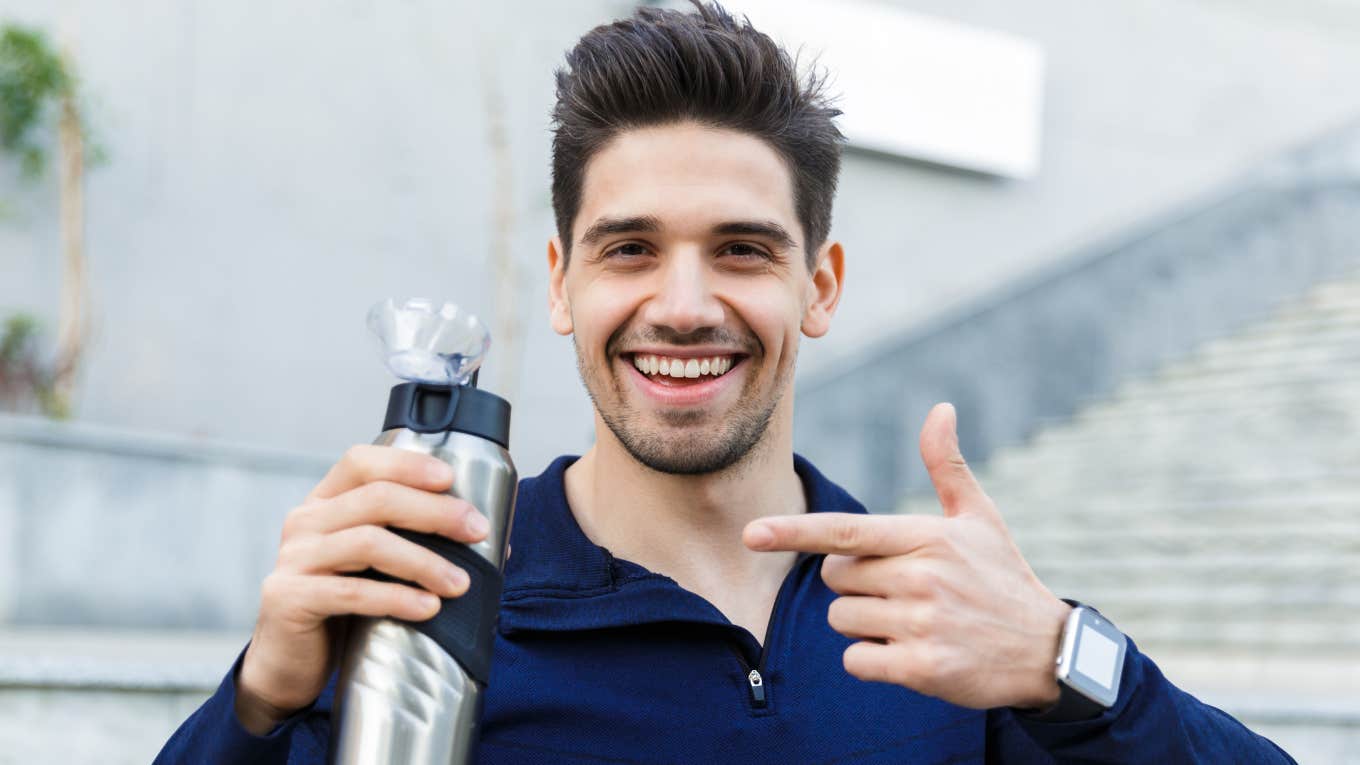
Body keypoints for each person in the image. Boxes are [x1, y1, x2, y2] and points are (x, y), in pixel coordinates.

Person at [156, 3, 1295, 762]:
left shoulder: (934, 627)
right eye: (629, 249)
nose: (685, 303)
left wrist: (1068, 661)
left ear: (820, 284)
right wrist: (255, 705)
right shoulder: (424, 616)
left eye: (742, 249)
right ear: (562, 286)